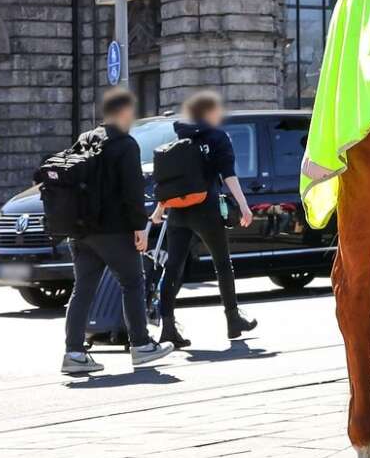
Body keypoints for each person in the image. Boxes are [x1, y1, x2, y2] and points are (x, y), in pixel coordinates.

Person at [61, 88, 174, 374]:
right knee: (133, 283)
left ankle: (73, 352)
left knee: (82, 290)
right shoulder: (125, 144)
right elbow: (132, 191)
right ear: (123, 113)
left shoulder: (84, 140)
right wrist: (140, 228)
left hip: (81, 230)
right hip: (113, 230)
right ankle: (141, 345)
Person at [151, 90, 256, 346]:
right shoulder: (218, 138)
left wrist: (159, 210)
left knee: (173, 267)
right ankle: (233, 321)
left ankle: (167, 327)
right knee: (222, 264)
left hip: (178, 212)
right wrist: (244, 206)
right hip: (207, 210)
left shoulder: (180, 137)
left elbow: (170, 181)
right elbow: (228, 175)